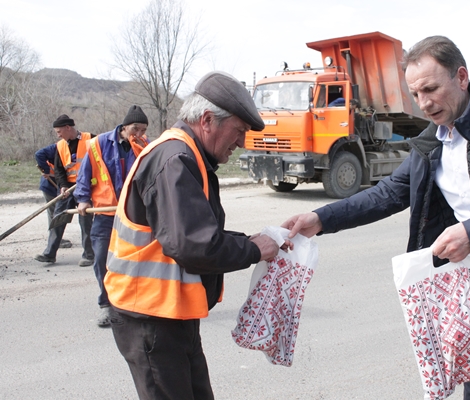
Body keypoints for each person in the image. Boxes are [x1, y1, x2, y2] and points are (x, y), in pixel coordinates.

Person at [283, 36, 470, 400]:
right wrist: (321, 219)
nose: (424, 103)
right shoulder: (430, 144)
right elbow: (387, 194)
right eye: (415, 94)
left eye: (431, 89)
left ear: (461, 77)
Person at [104, 71, 286, 399]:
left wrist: (248, 242)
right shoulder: (175, 159)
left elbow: (195, 231)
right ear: (207, 120)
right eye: (239, 131)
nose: (241, 143)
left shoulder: (187, 155)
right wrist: (254, 250)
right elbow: (194, 246)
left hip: (170, 315)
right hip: (150, 319)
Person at [74, 105, 149, 327]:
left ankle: (133, 305)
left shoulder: (145, 145)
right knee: (101, 261)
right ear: (125, 126)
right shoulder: (98, 144)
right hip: (105, 214)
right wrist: (83, 198)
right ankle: (107, 306)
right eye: (136, 128)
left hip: (133, 214)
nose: (139, 133)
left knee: (134, 262)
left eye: (143, 130)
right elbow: (84, 174)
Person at [34, 115, 95, 266]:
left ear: (68, 127)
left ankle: (89, 255)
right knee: (58, 218)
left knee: (85, 221)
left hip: (86, 188)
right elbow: (59, 170)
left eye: (59, 131)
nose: (58, 135)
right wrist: (63, 186)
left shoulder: (92, 140)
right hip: (68, 188)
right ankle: (49, 254)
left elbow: (100, 163)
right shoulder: (60, 146)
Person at [35, 143, 72, 249]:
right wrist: (46, 171)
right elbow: (39, 154)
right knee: (55, 214)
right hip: (50, 186)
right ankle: (55, 241)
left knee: (59, 213)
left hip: (61, 186)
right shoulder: (58, 147)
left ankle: (57, 239)